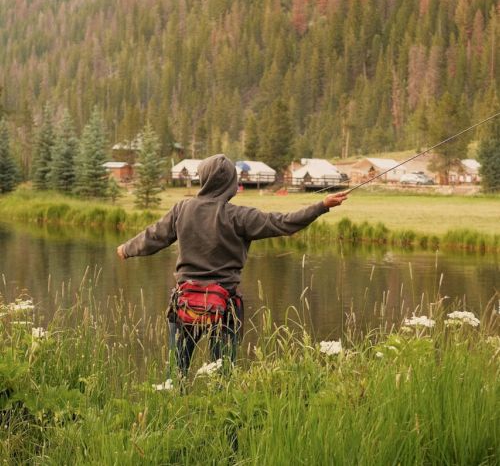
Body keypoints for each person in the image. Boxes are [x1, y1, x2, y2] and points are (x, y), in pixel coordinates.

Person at [117, 154, 347, 378]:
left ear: (204, 179)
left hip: (185, 303)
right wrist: (322, 205)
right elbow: (284, 223)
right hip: (225, 305)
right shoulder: (240, 216)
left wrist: (127, 248)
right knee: (222, 375)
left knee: (176, 374)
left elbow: (154, 236)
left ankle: (174, 407)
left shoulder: (182, 209)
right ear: (230, 184)